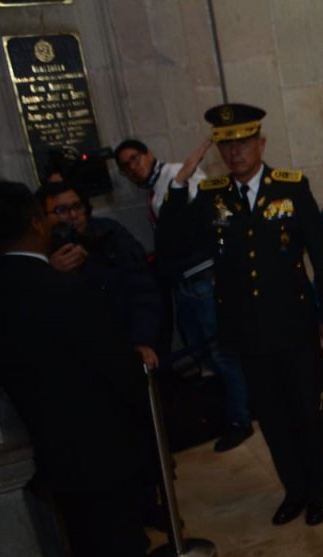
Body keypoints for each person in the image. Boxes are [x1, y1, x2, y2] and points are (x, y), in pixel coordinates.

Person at [0, 181, 207, 557]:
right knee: (119, 548)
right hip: (98, 440)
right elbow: (116, 367)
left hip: (52, 443)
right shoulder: (61, 289)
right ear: (34, 222)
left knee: (89, 545)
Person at [157, 103, 323, 526]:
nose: (235, 152)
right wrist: (181, 182)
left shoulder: (291, 187)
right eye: (226, 145)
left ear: (261, 143)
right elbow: (171, 242)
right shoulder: (211, 196)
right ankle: (294, 490)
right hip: (246, 331)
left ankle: (320, 491)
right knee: (273, 417)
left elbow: (321, 257)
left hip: (295, 326)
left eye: (242, 142)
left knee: (308, 412)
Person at [115, 138, 254, 453]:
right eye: (126, 166)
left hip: (202, 277)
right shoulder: (155, 188)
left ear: (149, 153)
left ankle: (240, 418)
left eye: (135, 158)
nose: (133, 167)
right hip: (185, 282)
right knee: (203, 353)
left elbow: (203, 216)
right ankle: (235, 409)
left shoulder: (177, 175)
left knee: (221, 352)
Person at [37, 181, 163, 369]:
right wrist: (51, 274)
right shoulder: (40, 253)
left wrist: (143, 341)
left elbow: (141, 290)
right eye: (61, 210)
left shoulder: (109, 235)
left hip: (126, 343)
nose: (73, 216)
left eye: (77, 207)